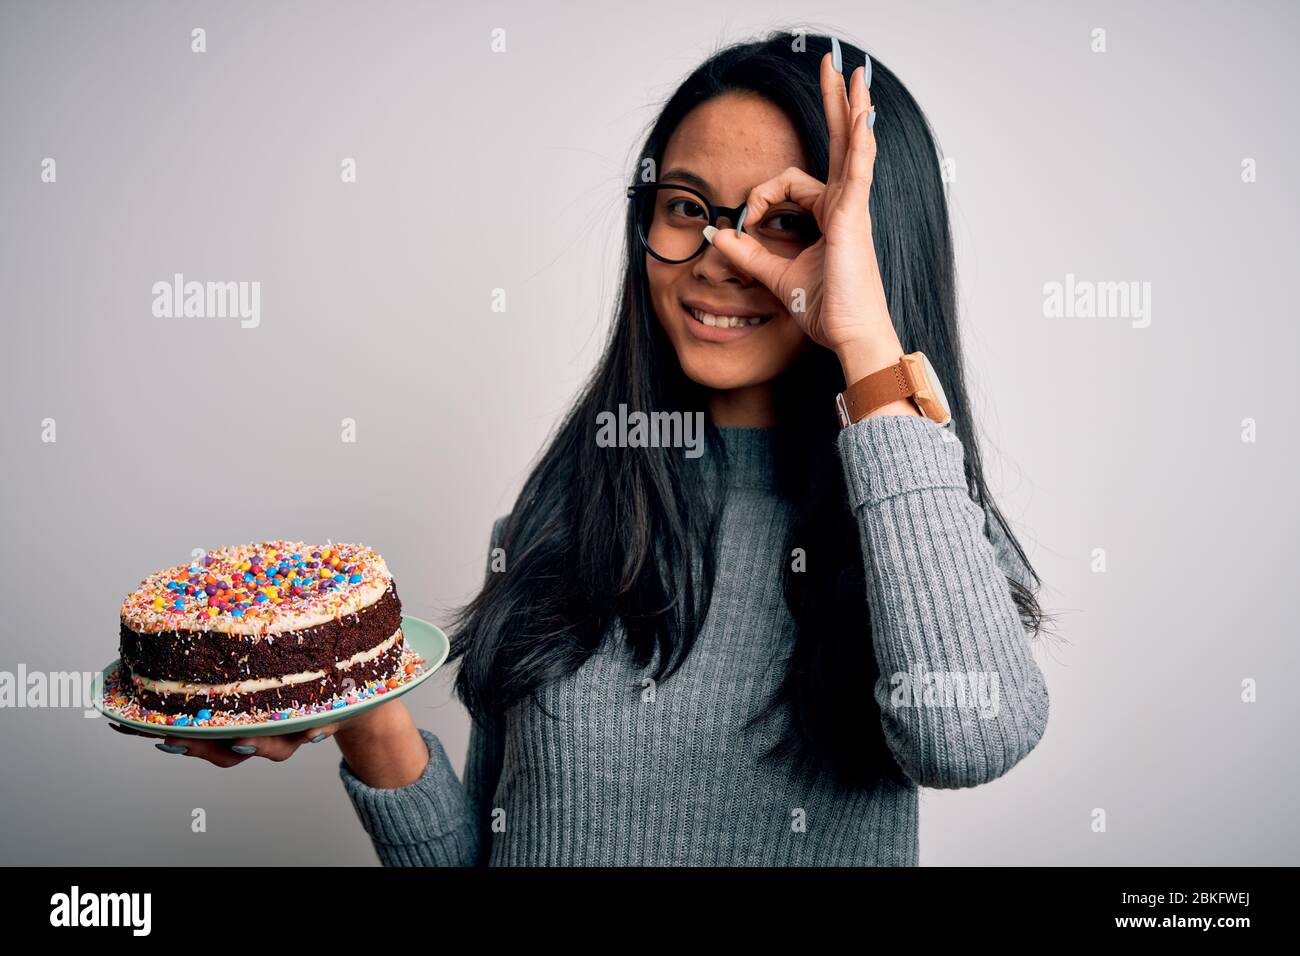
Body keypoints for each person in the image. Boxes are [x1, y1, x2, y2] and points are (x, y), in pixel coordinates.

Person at [119, 30, 1051, 866]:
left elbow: (966, 739)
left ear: (869, 245)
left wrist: (866, 346)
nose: (720, 254)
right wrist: (365, 713)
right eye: (686, 206)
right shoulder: (564, 515)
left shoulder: (924, 535)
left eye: (786, 222)